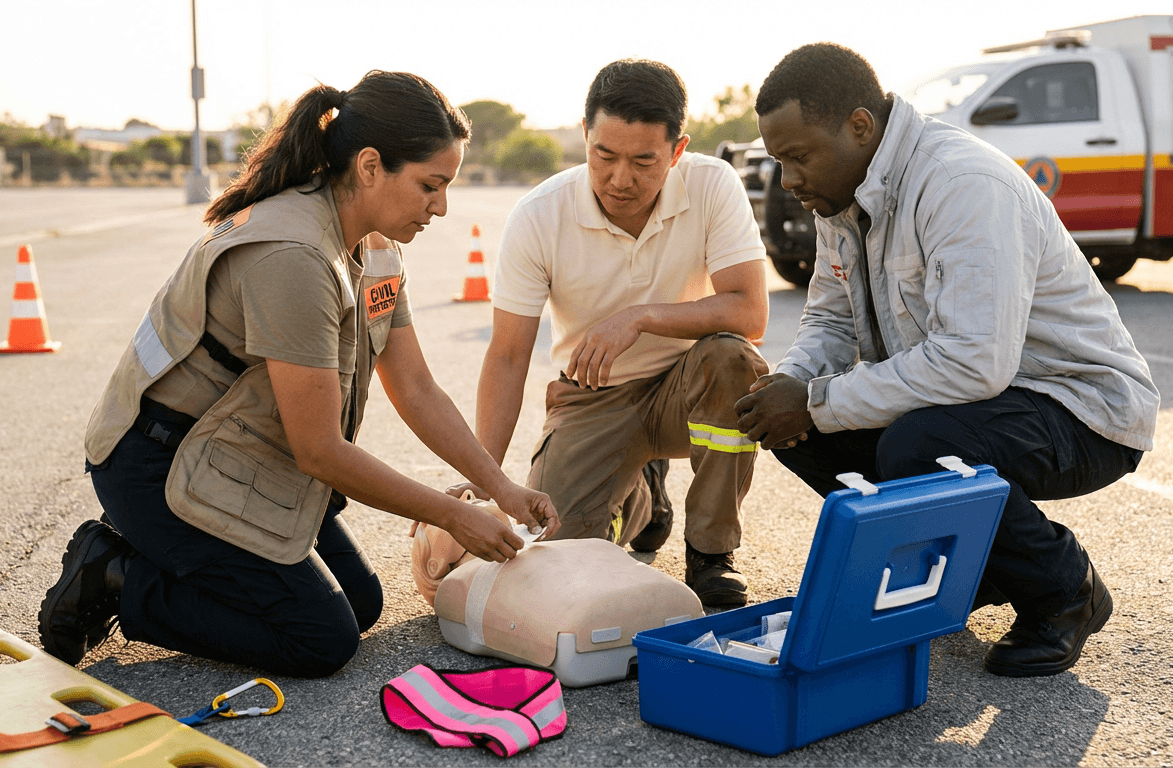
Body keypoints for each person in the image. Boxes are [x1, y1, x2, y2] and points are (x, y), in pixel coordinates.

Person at [37, 72, 559, 677]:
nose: (441, 206)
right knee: (319, 638)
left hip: (241, 454)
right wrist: (451, 514)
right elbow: (318, 450)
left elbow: (415, 388)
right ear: (369, 166)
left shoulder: (377, 245)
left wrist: (500, 489)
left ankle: (170, 563)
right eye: (431, 185)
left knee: (360, 605)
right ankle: (116, 576)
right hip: (162, 466)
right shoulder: (293, 256)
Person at [735, 44, 1158, 676]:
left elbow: (973, 363)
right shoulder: (840, 193)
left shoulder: (962, 184)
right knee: (796, 430)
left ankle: (1065, 590)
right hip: (970, 402)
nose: (788, 179)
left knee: (918, 443)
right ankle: (968, 575)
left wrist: (819, 402)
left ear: (859, 127)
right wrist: (791, 387)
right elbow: (829, 318)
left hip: (1080, 408)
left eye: (798, 157)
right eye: (779, 162)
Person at [458, 59, 770, 607]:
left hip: (688, 388)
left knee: (734, 359)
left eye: (644, 161)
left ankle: (711, 551)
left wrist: (641, 316)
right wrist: (484, 478)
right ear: (584, 135)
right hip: (593, 395)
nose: (620, 179)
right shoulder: (538, 216)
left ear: (677, 151)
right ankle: (643, 493)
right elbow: (507, 356)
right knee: (556, 556)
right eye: (604, 155)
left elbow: (751, 312)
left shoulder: (713, 184)